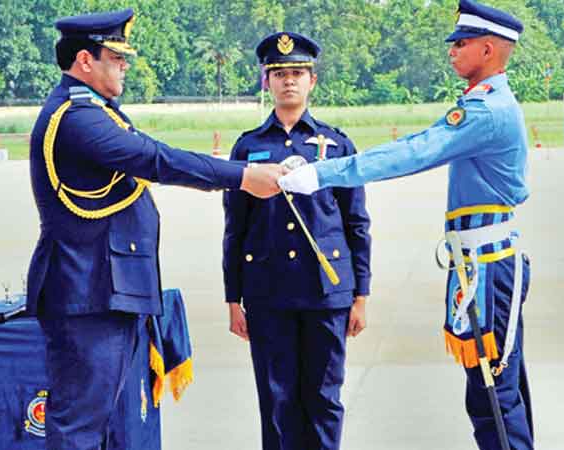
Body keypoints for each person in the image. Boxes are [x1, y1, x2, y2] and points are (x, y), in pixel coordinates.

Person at [27, 8, 285, 450]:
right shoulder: (77, 116)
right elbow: (156, 159)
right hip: (88, 290)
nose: (125, 64)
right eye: (116, 56)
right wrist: (241, 176)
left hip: (107, 289)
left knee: (102, 422)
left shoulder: (99, 111)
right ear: (85, 61)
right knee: (79, 426)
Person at [278, 1, 532, 449]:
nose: (452, 50)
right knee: (492, 389)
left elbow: (414, 152)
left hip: (488, 265)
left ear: (489, 50)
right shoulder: (483, 103)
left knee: (495, 394)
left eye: (461, 43)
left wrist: (322, 174)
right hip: (477, 259)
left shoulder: (485, 111)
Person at [222, 32, 371, 450]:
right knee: (277, 400)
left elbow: (356, 223)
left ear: (312, 82)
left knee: (324, 398)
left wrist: (361, 295)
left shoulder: (336, 144)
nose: (289, 81)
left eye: (298, 73)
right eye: (280, 73)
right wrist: (233, 298)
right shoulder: (249, 147)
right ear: (266, 82)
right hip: (268, 293)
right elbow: (235, 227)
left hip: (327, 293)